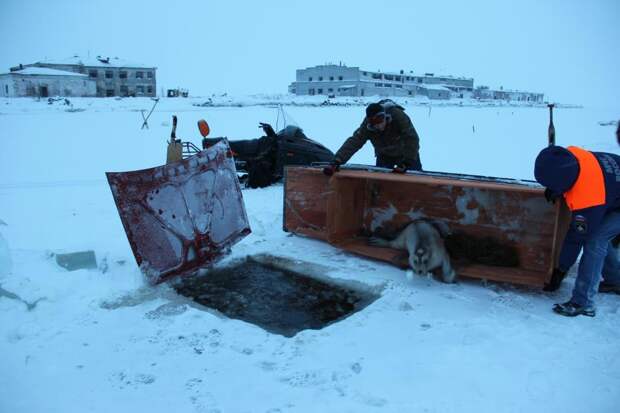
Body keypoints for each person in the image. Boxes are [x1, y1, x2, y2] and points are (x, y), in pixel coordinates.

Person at [534, 144, 620, 317]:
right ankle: (614, 281)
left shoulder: (588, 199)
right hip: (611, 192)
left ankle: (583, 302)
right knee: (601, 233)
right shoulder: (569, 156)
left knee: (595, 240)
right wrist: (556, 188)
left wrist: (561, 270)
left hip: (611, 200)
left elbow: (576, 238)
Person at [323, 100, 421, 175]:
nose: (378, 126)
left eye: (380, 121)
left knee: (417, 178)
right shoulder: (367, 126)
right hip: (384, 155)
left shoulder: (398, 116)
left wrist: (407, 161)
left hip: (405, 153)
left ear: (386, 116)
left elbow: (411, 138)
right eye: (374, 124)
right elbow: (355, 141)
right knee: (383, 183)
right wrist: (337, 160)